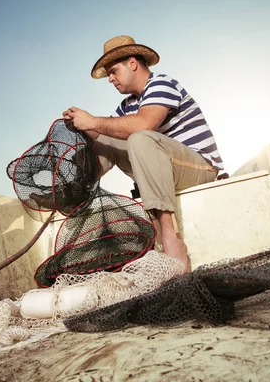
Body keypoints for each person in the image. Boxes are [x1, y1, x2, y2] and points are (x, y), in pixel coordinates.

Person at [63, 35, 224, 271]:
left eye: (113, 71)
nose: (110, 79)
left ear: (132, 63)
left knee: (138, 136)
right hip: (163, 172)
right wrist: (83, 128)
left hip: (200, 168)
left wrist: (93, 121)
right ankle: (75, 192)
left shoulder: (161, 84)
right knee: (107, 137)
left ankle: (169, 237)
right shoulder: (126, 106)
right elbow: (109, 135)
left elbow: (143, 125)